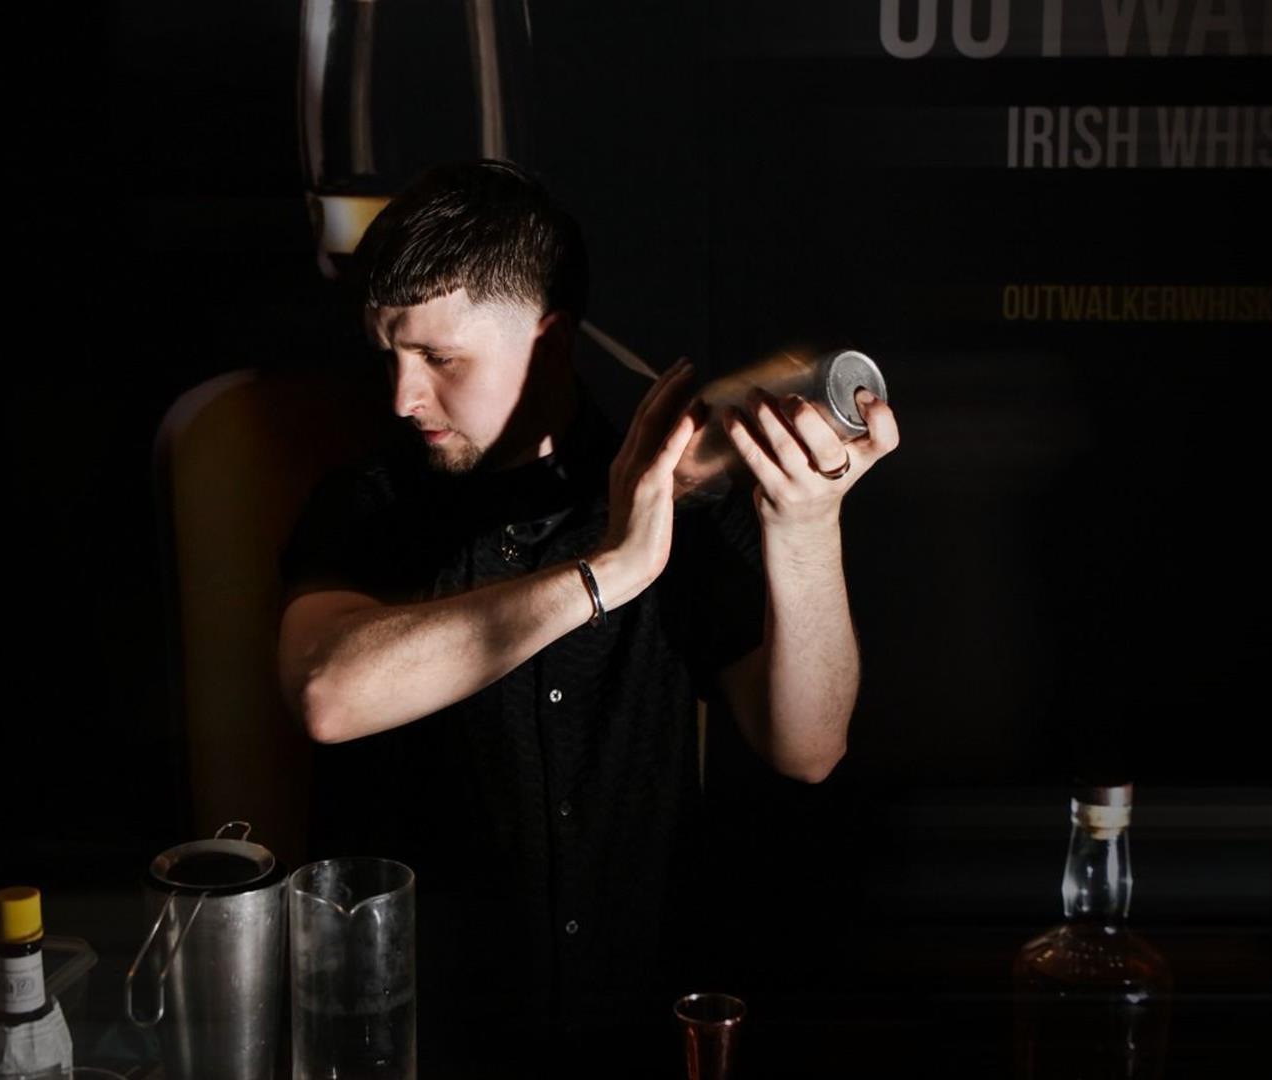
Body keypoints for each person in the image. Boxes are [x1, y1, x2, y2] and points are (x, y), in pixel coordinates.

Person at [276, 159, 899, 1071]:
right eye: (392, 356)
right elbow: (328, 692)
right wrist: (605, 571)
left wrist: (804, 526)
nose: (404, 398)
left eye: (440, 359)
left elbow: (807, 748)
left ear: (553, 342)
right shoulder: (366, 502)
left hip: (637, 1034)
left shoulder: (673, 496)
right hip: (416, 1042)